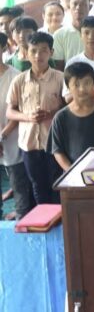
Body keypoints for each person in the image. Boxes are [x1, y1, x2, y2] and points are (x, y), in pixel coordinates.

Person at [5, 32, 65, 205]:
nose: (38, 55)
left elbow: (68, 107)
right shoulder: (19, 81)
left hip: (53, 143)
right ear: (26, 53)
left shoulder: (60, 78)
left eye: (44, 50)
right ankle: (43, 218)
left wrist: (52, 113)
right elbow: (10, 112)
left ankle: (59, 219)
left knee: (56, 184)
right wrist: (27, 117)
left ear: (51, 52)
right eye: (34, 51)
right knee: (37, 186)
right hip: (29, 143)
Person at [49, 63, 94, 171]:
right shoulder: (60, 117)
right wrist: (73, 171)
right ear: (68, 87)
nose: (82, 89)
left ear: (93, 83)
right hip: (73, 175)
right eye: (76, 84)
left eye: (87, 83)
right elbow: (58, 151)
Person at [0, 36, 27, 219]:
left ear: (3, 47)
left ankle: (22, 218)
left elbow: (20, 112)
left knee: (20, 190)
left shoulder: (16, 77)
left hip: (12, 139)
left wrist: (2, 136)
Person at [51, 0, 94, 69]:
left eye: (83, 4)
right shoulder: (59, 35)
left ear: (90, 7)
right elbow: (59, 67)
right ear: (69, 7)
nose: (78, 8)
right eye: (75, 4)